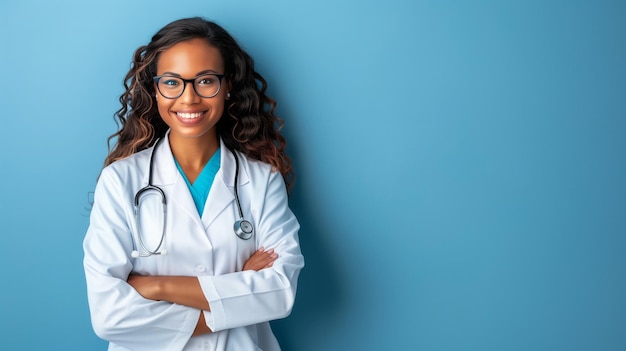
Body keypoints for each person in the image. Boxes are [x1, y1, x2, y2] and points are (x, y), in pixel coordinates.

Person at [83, 17, 304, 351]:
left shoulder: (261, 181)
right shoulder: (121, 181)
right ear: (154, 89)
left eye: (205, 80)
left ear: (228, 86)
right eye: (172, 82)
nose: (188, 98)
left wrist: (156, 287)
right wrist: (236, 292)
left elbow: (279, 292)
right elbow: (109, 316)